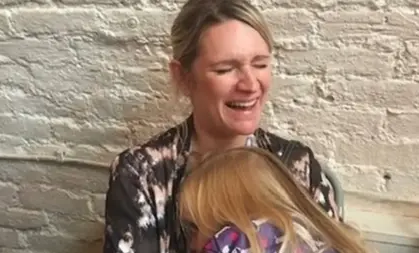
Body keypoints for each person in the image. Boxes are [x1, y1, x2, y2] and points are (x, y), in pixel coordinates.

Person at [103, 0, 342, 253]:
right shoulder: (141, 174)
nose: (250, 84)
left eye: (260, 64)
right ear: (183, 77)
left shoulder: (298, 165)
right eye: (225, 69)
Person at [179, 147, 372, 253]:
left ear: (232, 216)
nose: (192, 243)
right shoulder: (314, 237)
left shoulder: (237, 241)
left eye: (194, 228)